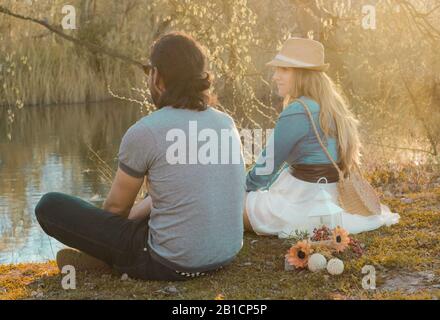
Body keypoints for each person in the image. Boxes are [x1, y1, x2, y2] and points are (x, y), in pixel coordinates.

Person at [35, 31, 246, 280]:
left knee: (49, 205)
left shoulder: (146, 131)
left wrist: (103, 234)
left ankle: (104, 259)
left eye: (149, 70)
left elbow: (115, 209)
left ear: (158, 77)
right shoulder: (226, 123)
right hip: (225, 254)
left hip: (168, 262)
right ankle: (105, 257)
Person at [243, 37, 399, 238]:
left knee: (234, 204)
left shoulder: (298, 111)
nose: (275, 76)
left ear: (302, 74)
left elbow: (266, 169)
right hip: (331, 198)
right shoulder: (333, 107)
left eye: (283, 70)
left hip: (301, 200)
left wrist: (242, 187)